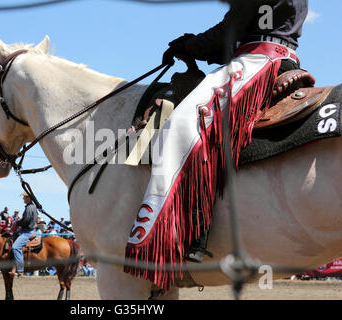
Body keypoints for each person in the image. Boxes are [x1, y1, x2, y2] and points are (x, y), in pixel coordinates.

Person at [125, 0, 308, 275]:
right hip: (279, 56)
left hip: (259, 61)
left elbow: (230, 30)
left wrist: (190, 46)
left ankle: (178, 233)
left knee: (183, 123)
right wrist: (197, 45)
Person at [10, 192, 38, 277]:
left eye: (24, 197)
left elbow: (26, 221)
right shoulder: (32, 207)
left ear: (29, 198)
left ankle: (20, 270)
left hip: (27, 231)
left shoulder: (29, 208)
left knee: (15, 247)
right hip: (27, 230)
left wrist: (17, 223)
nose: (23, 199)